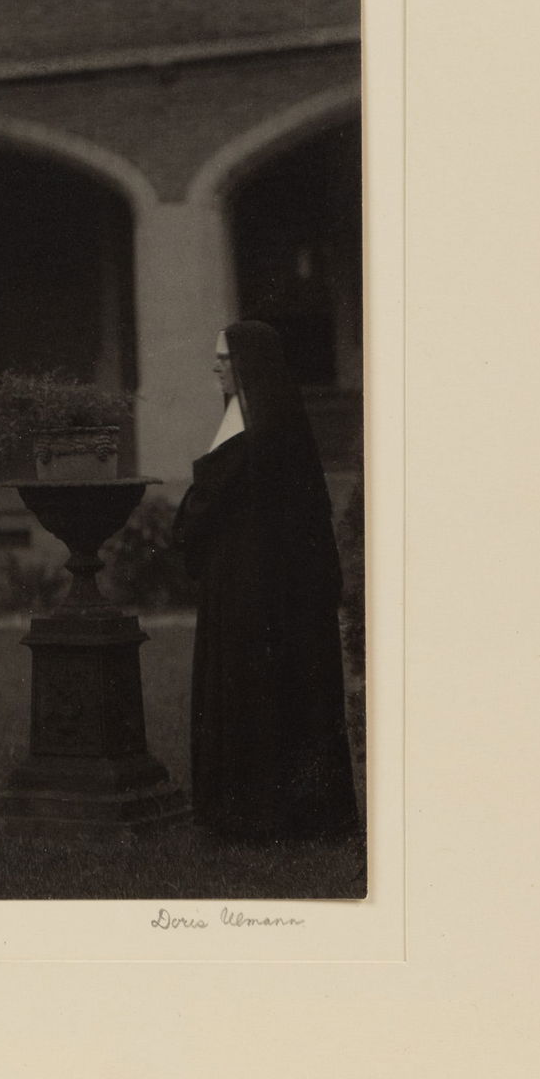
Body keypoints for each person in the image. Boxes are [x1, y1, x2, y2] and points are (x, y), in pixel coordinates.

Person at [171, 321, 361, 844]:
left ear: (246, 366)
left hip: (246, 585)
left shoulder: (247, 427)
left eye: (223, 358)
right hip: (271, 585)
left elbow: (206, 500)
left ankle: (251, 814)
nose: (215, 367)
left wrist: (187, 525)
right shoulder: (281, 423)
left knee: (250, 688)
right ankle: (293, 812)